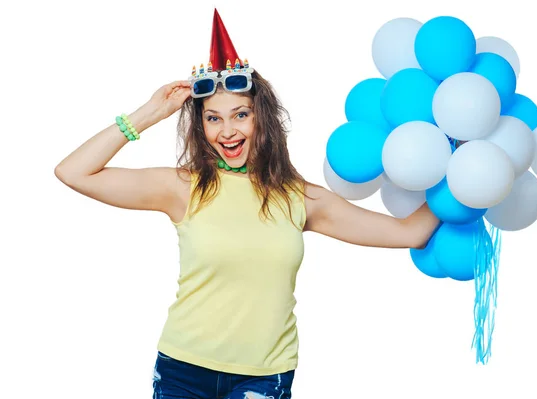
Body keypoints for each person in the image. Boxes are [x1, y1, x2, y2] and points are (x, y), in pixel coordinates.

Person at [54, 9, 440, 399]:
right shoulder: (182, 187)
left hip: (263, 377)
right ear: (200, 126)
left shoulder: (300, 197)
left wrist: (458, 163)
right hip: (182, 372)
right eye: (213, 119)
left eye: (241, 115)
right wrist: (150, 112)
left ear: (263, 119)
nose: (227, 131)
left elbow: (411, 232)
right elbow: (74, 172)